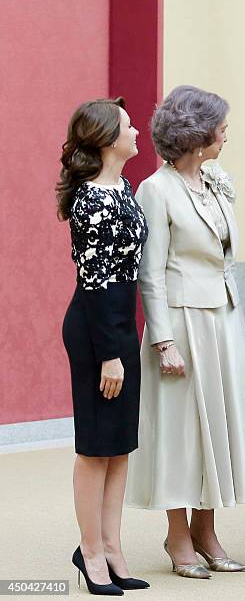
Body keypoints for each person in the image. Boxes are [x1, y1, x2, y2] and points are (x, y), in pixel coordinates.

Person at [125, 85, 245, 579]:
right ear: (197, 134)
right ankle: (177, 533)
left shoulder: (215, 180)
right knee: (182, 431)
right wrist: (162, 340)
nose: (226, 136)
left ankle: (207, 529)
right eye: (222, 129)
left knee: (221, 425)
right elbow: (151, 273)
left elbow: (227, 254)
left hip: (221, 317)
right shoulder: (156, 189)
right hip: (182, 324)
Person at [58, 98, 150, 595]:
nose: (137, 132)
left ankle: (113, 546)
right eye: (129, 126)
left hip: (120, 323)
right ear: (107, 139)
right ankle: (90, 551)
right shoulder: (91, 201)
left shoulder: (124, 188)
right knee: (96, 448)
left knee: (119, 447)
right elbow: (94, 282)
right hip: (98, 330)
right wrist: (111, 353)